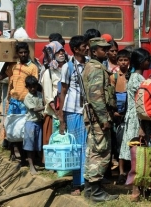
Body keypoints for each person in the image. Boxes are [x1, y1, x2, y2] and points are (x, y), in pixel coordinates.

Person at [82, 37, 119, 202]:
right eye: (103, 49)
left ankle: (90, 189)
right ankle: (96, 191)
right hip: (98, 118)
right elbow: (96, 98)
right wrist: (104, 119)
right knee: (101, 152)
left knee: (94, 151)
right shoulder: (96, 69)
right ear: (94, 51)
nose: (106, 51)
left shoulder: (92, 67)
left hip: (94, 117)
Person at [118, 48, 151, 200]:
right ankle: (136, 191)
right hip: (137, 121)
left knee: (136, 154)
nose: (148, 62)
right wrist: (142, 126)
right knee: (138, 154)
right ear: (141, 62)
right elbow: (141, 105)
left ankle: (138, 189)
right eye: (147, 59)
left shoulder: (134, 77)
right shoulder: (138, 79)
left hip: (133, 118)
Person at [58, 35, 88, 196]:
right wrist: (61, 118)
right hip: (73, 111)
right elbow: (63, 92)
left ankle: (87, 180)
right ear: (76, 49)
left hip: (87, 111)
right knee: (76, 147)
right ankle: (76, 183)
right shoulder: (67, 67)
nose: (87, 48)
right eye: (84, 46)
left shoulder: (90, 64)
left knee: (88, 147)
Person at [1, 42, 39, 164]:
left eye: (25, 52)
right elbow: (1, 76)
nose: (23, 54)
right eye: (20, 52)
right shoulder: (13, 66)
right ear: (17, 54)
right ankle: (13, 151)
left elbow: (35, 85)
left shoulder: (33, 67)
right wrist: (6, 61)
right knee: (12, 128)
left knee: (23, 130)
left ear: (28, 53)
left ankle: (24, 157)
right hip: (13, 101)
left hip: (26, 103)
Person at [41, 41, 66, 158]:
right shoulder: (48, 73)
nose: (61, 54)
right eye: (58, 52)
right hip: (54, 113)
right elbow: (48, 96)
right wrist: (58, 113)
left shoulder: (67, 69)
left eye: (62, 51)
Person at [109, 49, 131, 184]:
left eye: (125, 60)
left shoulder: (131, 76)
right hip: (116, 114)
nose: (123, 62)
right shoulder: (114, 77)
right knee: (116, 142)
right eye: (121, 60)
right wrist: (114, 112)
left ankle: (126, 171)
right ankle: (120, 172)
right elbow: (111, 96)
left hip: (128, 114)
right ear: (117, 61)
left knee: (126, 142)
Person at [23, 75, 44, 175]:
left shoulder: (40, 94)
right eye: (30, 87)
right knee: (30, 145)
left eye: (34, 86)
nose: (32, 89)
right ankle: (31, 166)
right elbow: (34, 109)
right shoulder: (27, 97)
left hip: (39, 122)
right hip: (30, 123)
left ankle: (39, 162)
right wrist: (46, 107)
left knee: (39, 144)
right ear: (27, 87)